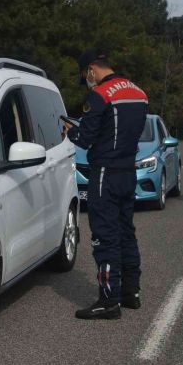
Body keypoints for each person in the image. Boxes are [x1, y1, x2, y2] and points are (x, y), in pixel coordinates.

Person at [64, 49, 148, 320]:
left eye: (85, 76)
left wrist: (70, 131)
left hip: (105, 173)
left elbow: (86, 138)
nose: (87, 80)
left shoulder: (100, 94)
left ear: (91, 70)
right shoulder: (139, 92)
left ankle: (108, 300)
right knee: (126, 233)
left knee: (104, 236)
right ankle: (130, 293)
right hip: (128, 171)